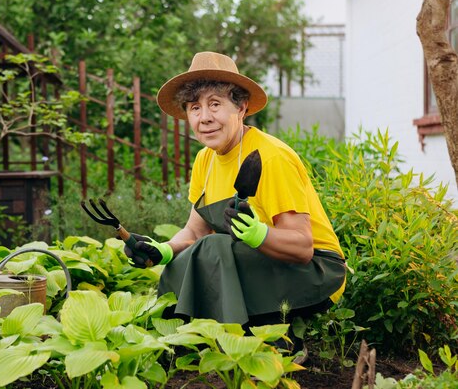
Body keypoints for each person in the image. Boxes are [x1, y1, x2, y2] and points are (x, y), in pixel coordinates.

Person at [124, 51, 347, 360]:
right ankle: (190, 342)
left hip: (316, 272)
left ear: (241, 107)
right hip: (260, 263)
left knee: (214, 249)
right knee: (183, 260)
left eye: (215, 104)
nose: (204, 118)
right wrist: (162, 250)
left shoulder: (270, 157)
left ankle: (273, 344)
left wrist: (258, 234)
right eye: (194, 107)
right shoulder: (206, 160)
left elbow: (302, 247)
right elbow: (195, 230)